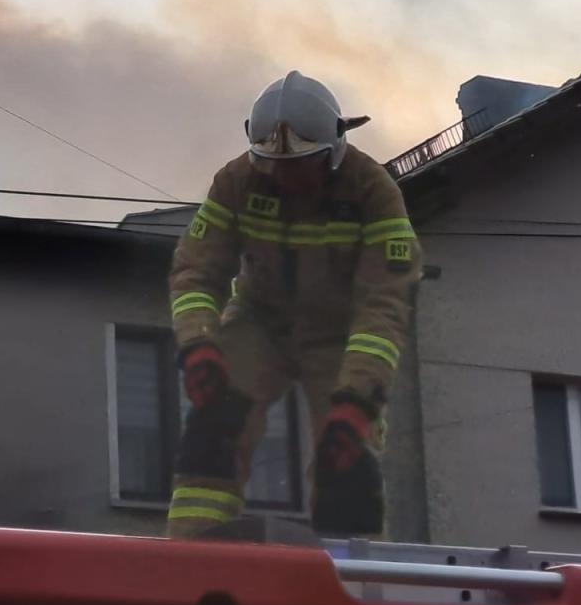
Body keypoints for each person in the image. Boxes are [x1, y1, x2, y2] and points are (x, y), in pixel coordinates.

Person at [166, 71, 422, 538]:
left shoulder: (374, 193)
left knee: (347, 457)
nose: (284, 177)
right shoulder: (237, 182)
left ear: (335, 148)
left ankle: (349, 583)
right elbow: (196, 273)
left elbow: (383, 307)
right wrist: (199, 346)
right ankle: (191, 559)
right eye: (271, 164)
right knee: (212, 430)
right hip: (260, 323)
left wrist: (356, 399)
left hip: (341, 335)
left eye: (301, 164)